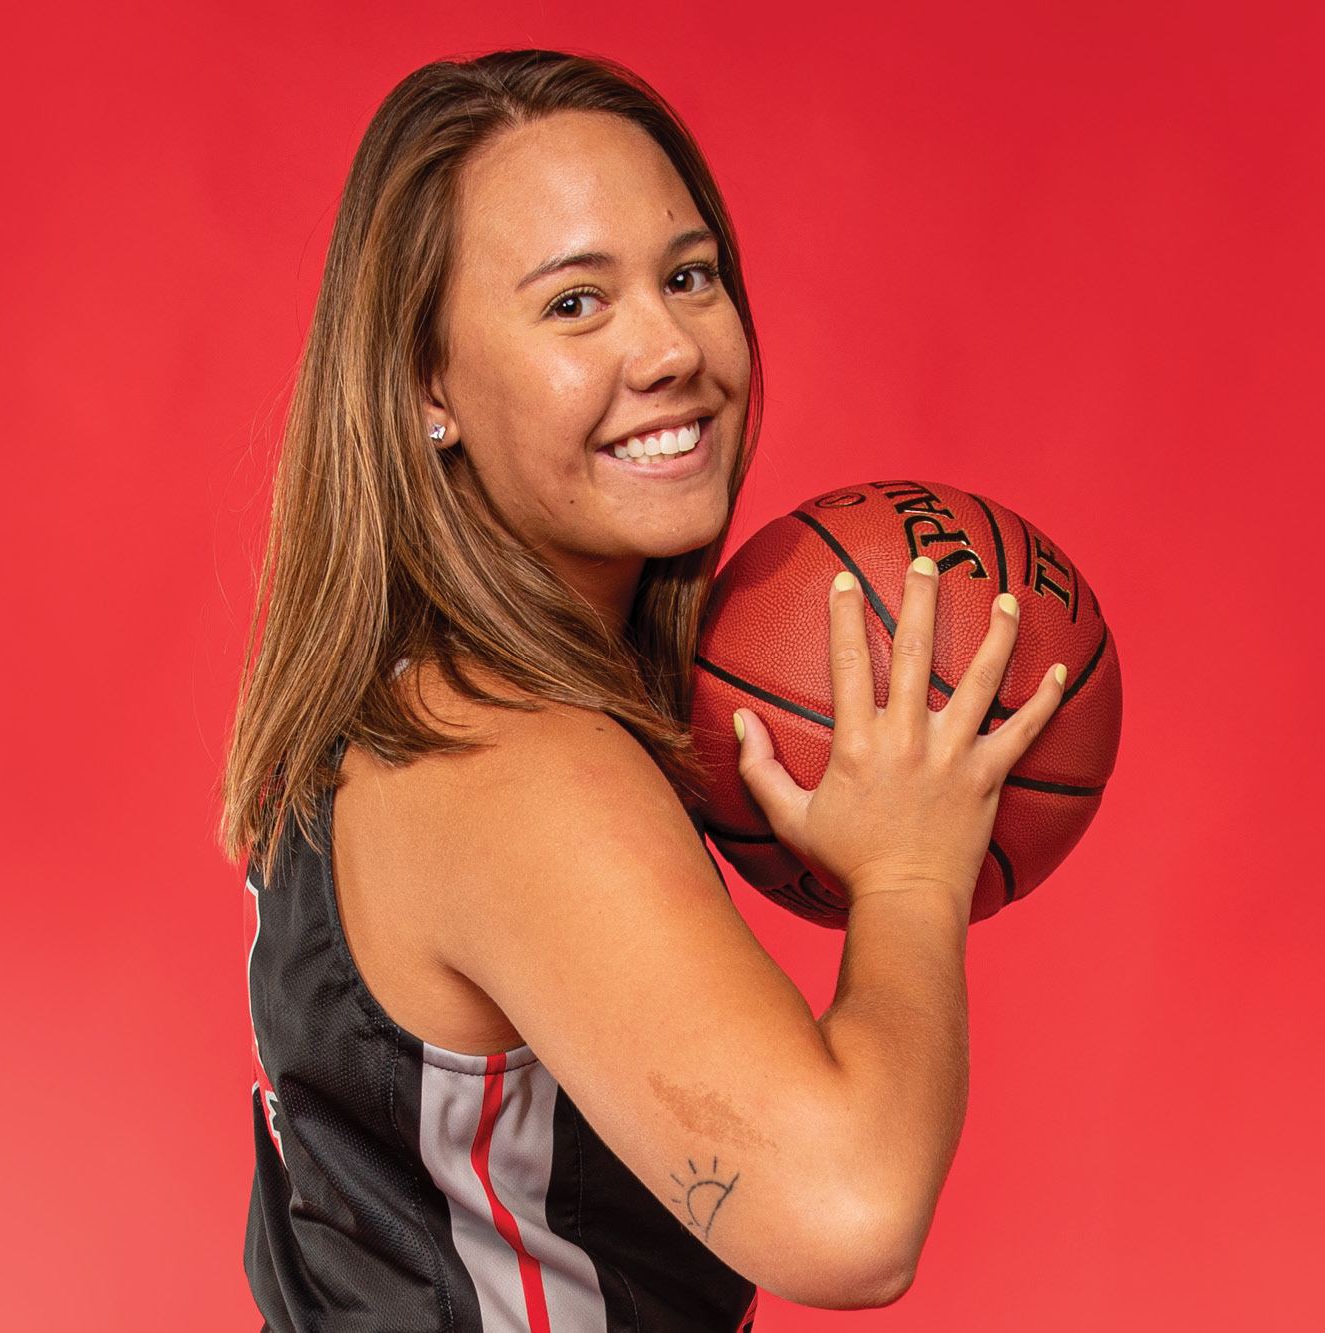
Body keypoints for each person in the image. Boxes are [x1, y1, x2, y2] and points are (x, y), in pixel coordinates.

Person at [223, 50, 1065, 1333]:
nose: (669, 347)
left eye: (687, 276)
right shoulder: (506, 757)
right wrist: (908, 875)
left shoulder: (407, 711)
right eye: (573, 305)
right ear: (424, 388)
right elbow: (850, 1216)